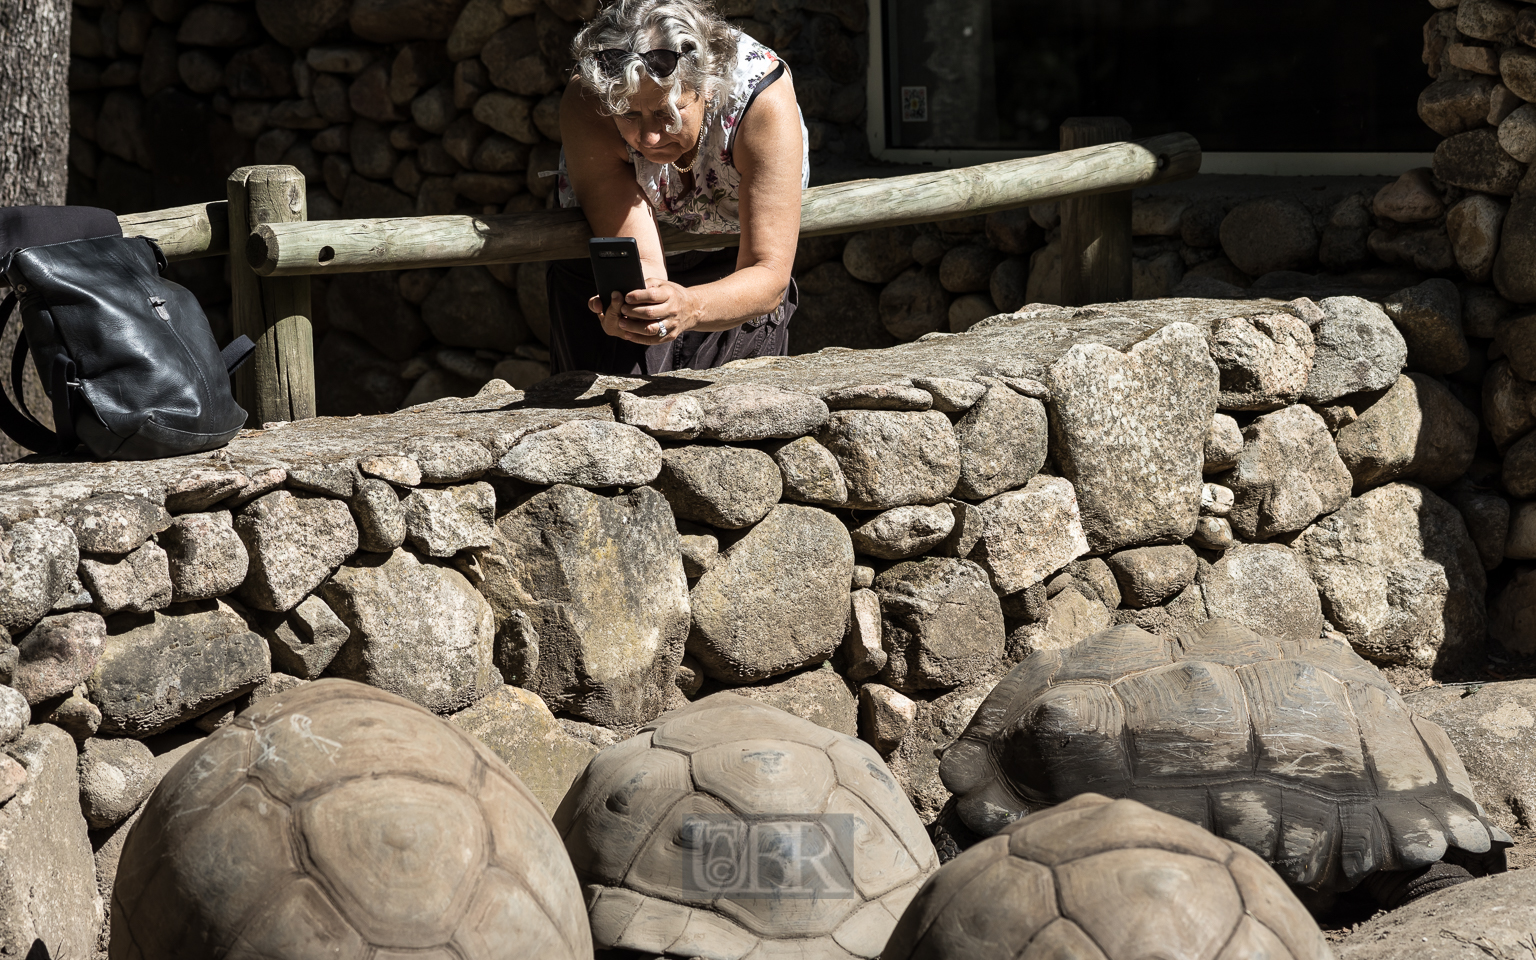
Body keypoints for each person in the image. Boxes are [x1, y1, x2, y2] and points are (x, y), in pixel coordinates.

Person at [548, 0, 808, 376]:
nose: (649, 138)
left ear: (707, 85)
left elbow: (767, 274)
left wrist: (690, 305)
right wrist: (635, 309)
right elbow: (645, 264)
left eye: (667, 113)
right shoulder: (592, 98)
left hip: (735, 266)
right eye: (629, 115)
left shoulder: (761, 101)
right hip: (613, 264)